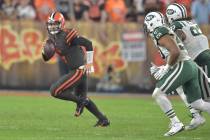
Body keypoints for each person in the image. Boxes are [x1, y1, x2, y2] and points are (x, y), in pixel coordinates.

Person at [144, 11, 210, 136]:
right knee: (198, 103)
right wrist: (163, 67)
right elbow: (174, 52)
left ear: (152, 23)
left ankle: (176, 123)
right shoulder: (164, 30)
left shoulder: (159, 31)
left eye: (147, 24)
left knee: (158, 94)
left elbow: (175, 52)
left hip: (184, 65)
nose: (146, 27)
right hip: (189, 65)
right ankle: (196, 117)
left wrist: (166, 68)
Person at [42, 11, 110, 127]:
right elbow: (46, 58)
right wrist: (45, 51)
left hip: (78, 70)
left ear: (61, 23)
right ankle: (103, 120)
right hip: (76, 70)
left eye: (55, 24)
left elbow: (88, 44)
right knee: (82, 98)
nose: (52, 27)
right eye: (51, 24)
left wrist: (89, 63)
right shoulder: (53, 38)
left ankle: (80, 102)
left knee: (55, 90)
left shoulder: (67, 35)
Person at [166, 3, 210, 102]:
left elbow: (178, 43)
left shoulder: (175, 26)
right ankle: (196, 116)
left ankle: (197, 116)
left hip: (202, 61)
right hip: (205, 57)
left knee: (206, 98)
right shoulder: (191, 23)